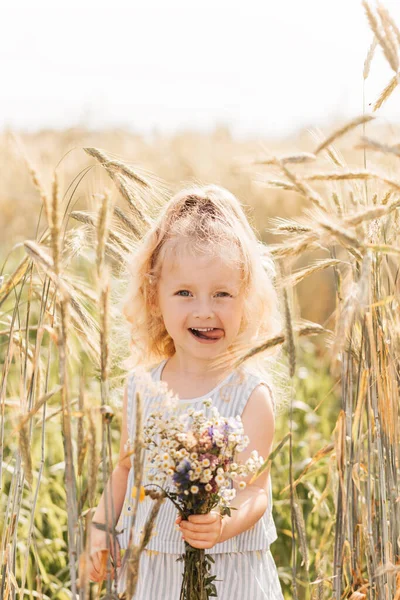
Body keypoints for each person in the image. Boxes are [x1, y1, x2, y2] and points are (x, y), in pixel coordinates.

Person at [80, 184, 285, 599]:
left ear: (247, 299)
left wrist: (223, 524)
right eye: (184, 293)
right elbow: (125, 468)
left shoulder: (249, 394)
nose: (204, 309)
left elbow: (255, 489)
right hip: (152, 569)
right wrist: (101, 527)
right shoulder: (142, 386)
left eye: (222, 294)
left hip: (227, 573)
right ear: (154, 297)